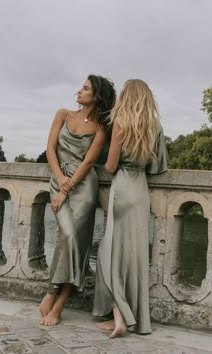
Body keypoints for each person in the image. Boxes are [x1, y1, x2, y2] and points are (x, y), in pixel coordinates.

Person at [92, 79, 168, 338]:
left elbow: (111, 166)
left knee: (107, 254)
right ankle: (131, 318)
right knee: (133, 257)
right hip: (140, 191)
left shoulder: (121, 123)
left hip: (122, 188)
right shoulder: (154, 126)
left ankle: (119, 316)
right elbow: (157, 167)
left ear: (126, 96)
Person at [40, 74, 116, 326]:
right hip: (59, 180)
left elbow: (89, 161)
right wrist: (60, 179)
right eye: (81, 87)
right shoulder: (63, 114)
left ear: (98, 96)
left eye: (86, 89)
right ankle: (53, 292)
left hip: (83, 187)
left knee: (77, 241)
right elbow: (50, 148)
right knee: (68, 236)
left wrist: (67, 189)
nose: (79, 91)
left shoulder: (101, 127)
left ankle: (56, 300)